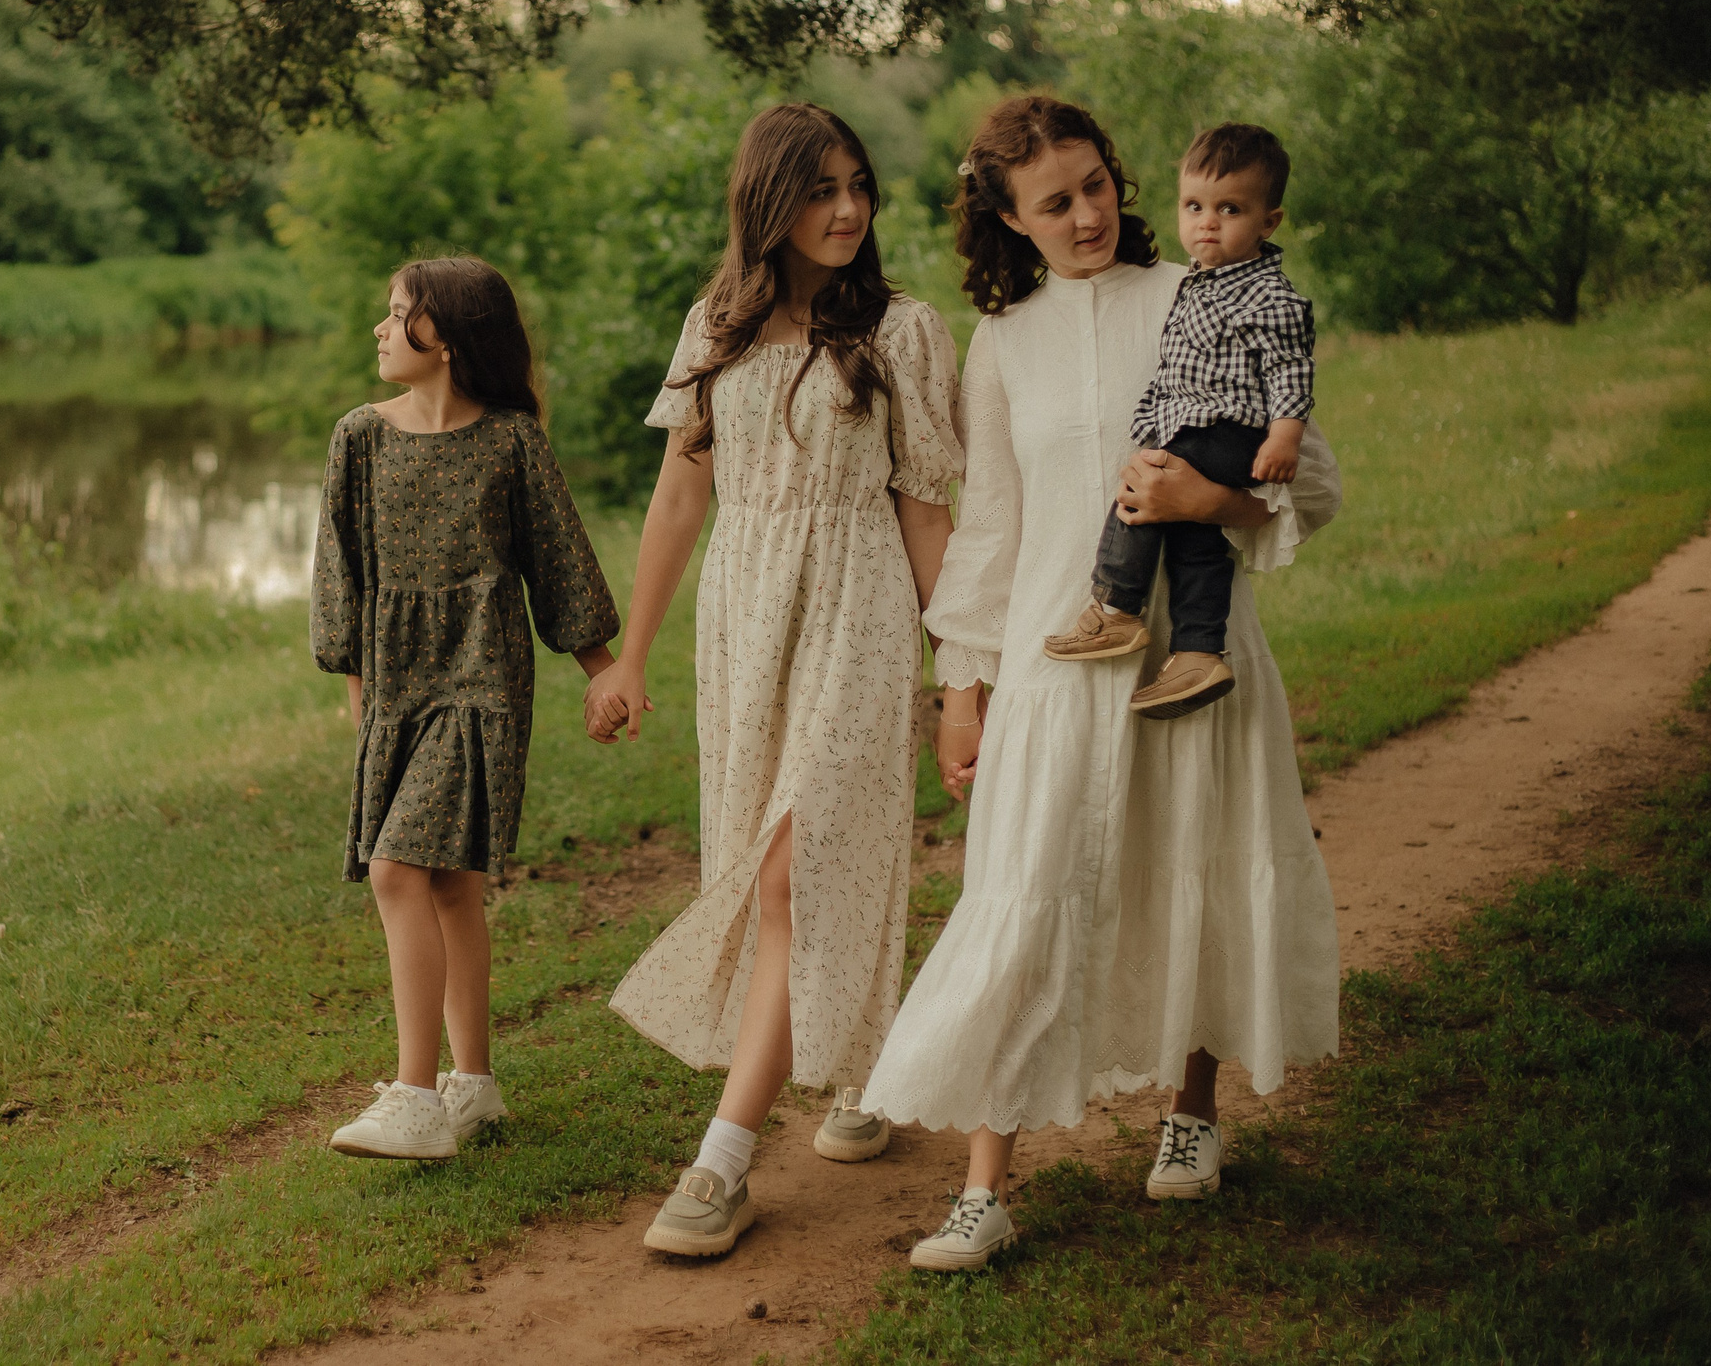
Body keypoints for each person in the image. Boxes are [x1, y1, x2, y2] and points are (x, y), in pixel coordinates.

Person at [859, 95, 1342, 1272]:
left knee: (1192, 860)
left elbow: (1309, 479)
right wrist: (962, 689)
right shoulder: (1004, 343)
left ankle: (1191, 1111)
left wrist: (1205, 503)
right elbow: (989, 529)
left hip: (1193, 647)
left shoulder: (1198, 292)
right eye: (1053, 202)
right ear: (1010, 222)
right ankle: (985, 1187)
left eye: (1094, 186)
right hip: (1050, 655)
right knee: (1027, 888)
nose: (1086, 214)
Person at [587, 102, 962, 1258]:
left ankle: (722, 1162)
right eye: (819, 191)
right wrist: (632, 653)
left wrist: (964, 677)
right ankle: (862, 1064)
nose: (846, 210)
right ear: (767, 203)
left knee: (802, 864)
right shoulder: (716, 325)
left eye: (857, 185)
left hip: (858, 613)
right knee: (763, 866)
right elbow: (678, 496)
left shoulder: (903, 330)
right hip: (743, 619)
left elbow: (927, 514)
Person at [311, 256, 620, 1161]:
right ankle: (473, 1084)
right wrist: (364, 707)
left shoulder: (510, 442)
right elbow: (342, 579)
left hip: (481, 678)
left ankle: (414, 1097)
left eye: (395, 311)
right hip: (396, 683)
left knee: (396, 869)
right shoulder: (358, 438)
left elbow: (559, 560)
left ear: (441, 336)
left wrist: (603, 671)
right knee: (447, 882)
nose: (378, 326)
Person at [1045, 123, 1315, 719]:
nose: (1207, 223)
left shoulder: (1267, 295)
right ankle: (1198, 651)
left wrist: (1283, 436)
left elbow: (1291, 370)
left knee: (1144, 481)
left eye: (1229, 209)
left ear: (1268, 223)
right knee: (1196, 538)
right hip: (1200, 427)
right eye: (1194, 206)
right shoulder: (1200, 280)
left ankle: (1116, 607)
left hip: (1226, 431)